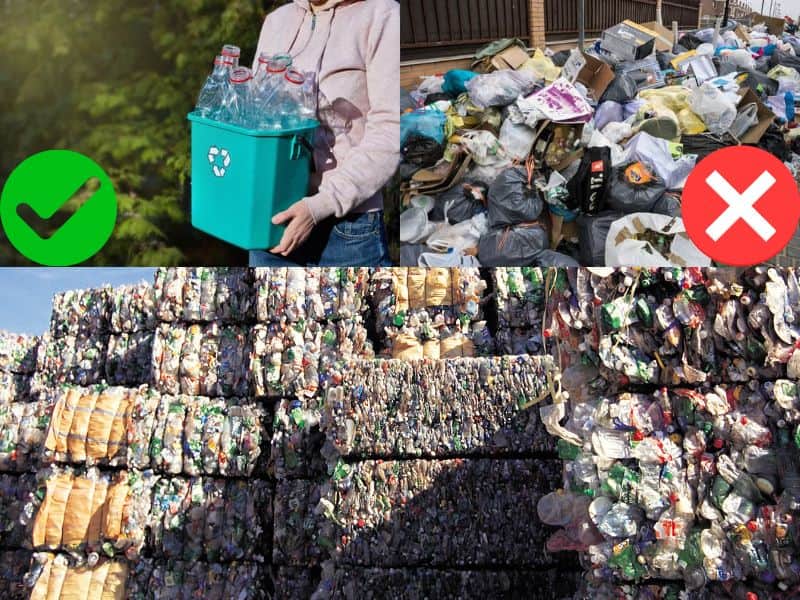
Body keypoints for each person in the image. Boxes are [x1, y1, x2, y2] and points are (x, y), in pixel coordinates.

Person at [249, 0, 399, 267]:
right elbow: (256, 116)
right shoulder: (277, 20)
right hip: (273, 215)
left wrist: (320, 206)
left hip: (348, 228)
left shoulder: (382, 14)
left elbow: (390, 129)